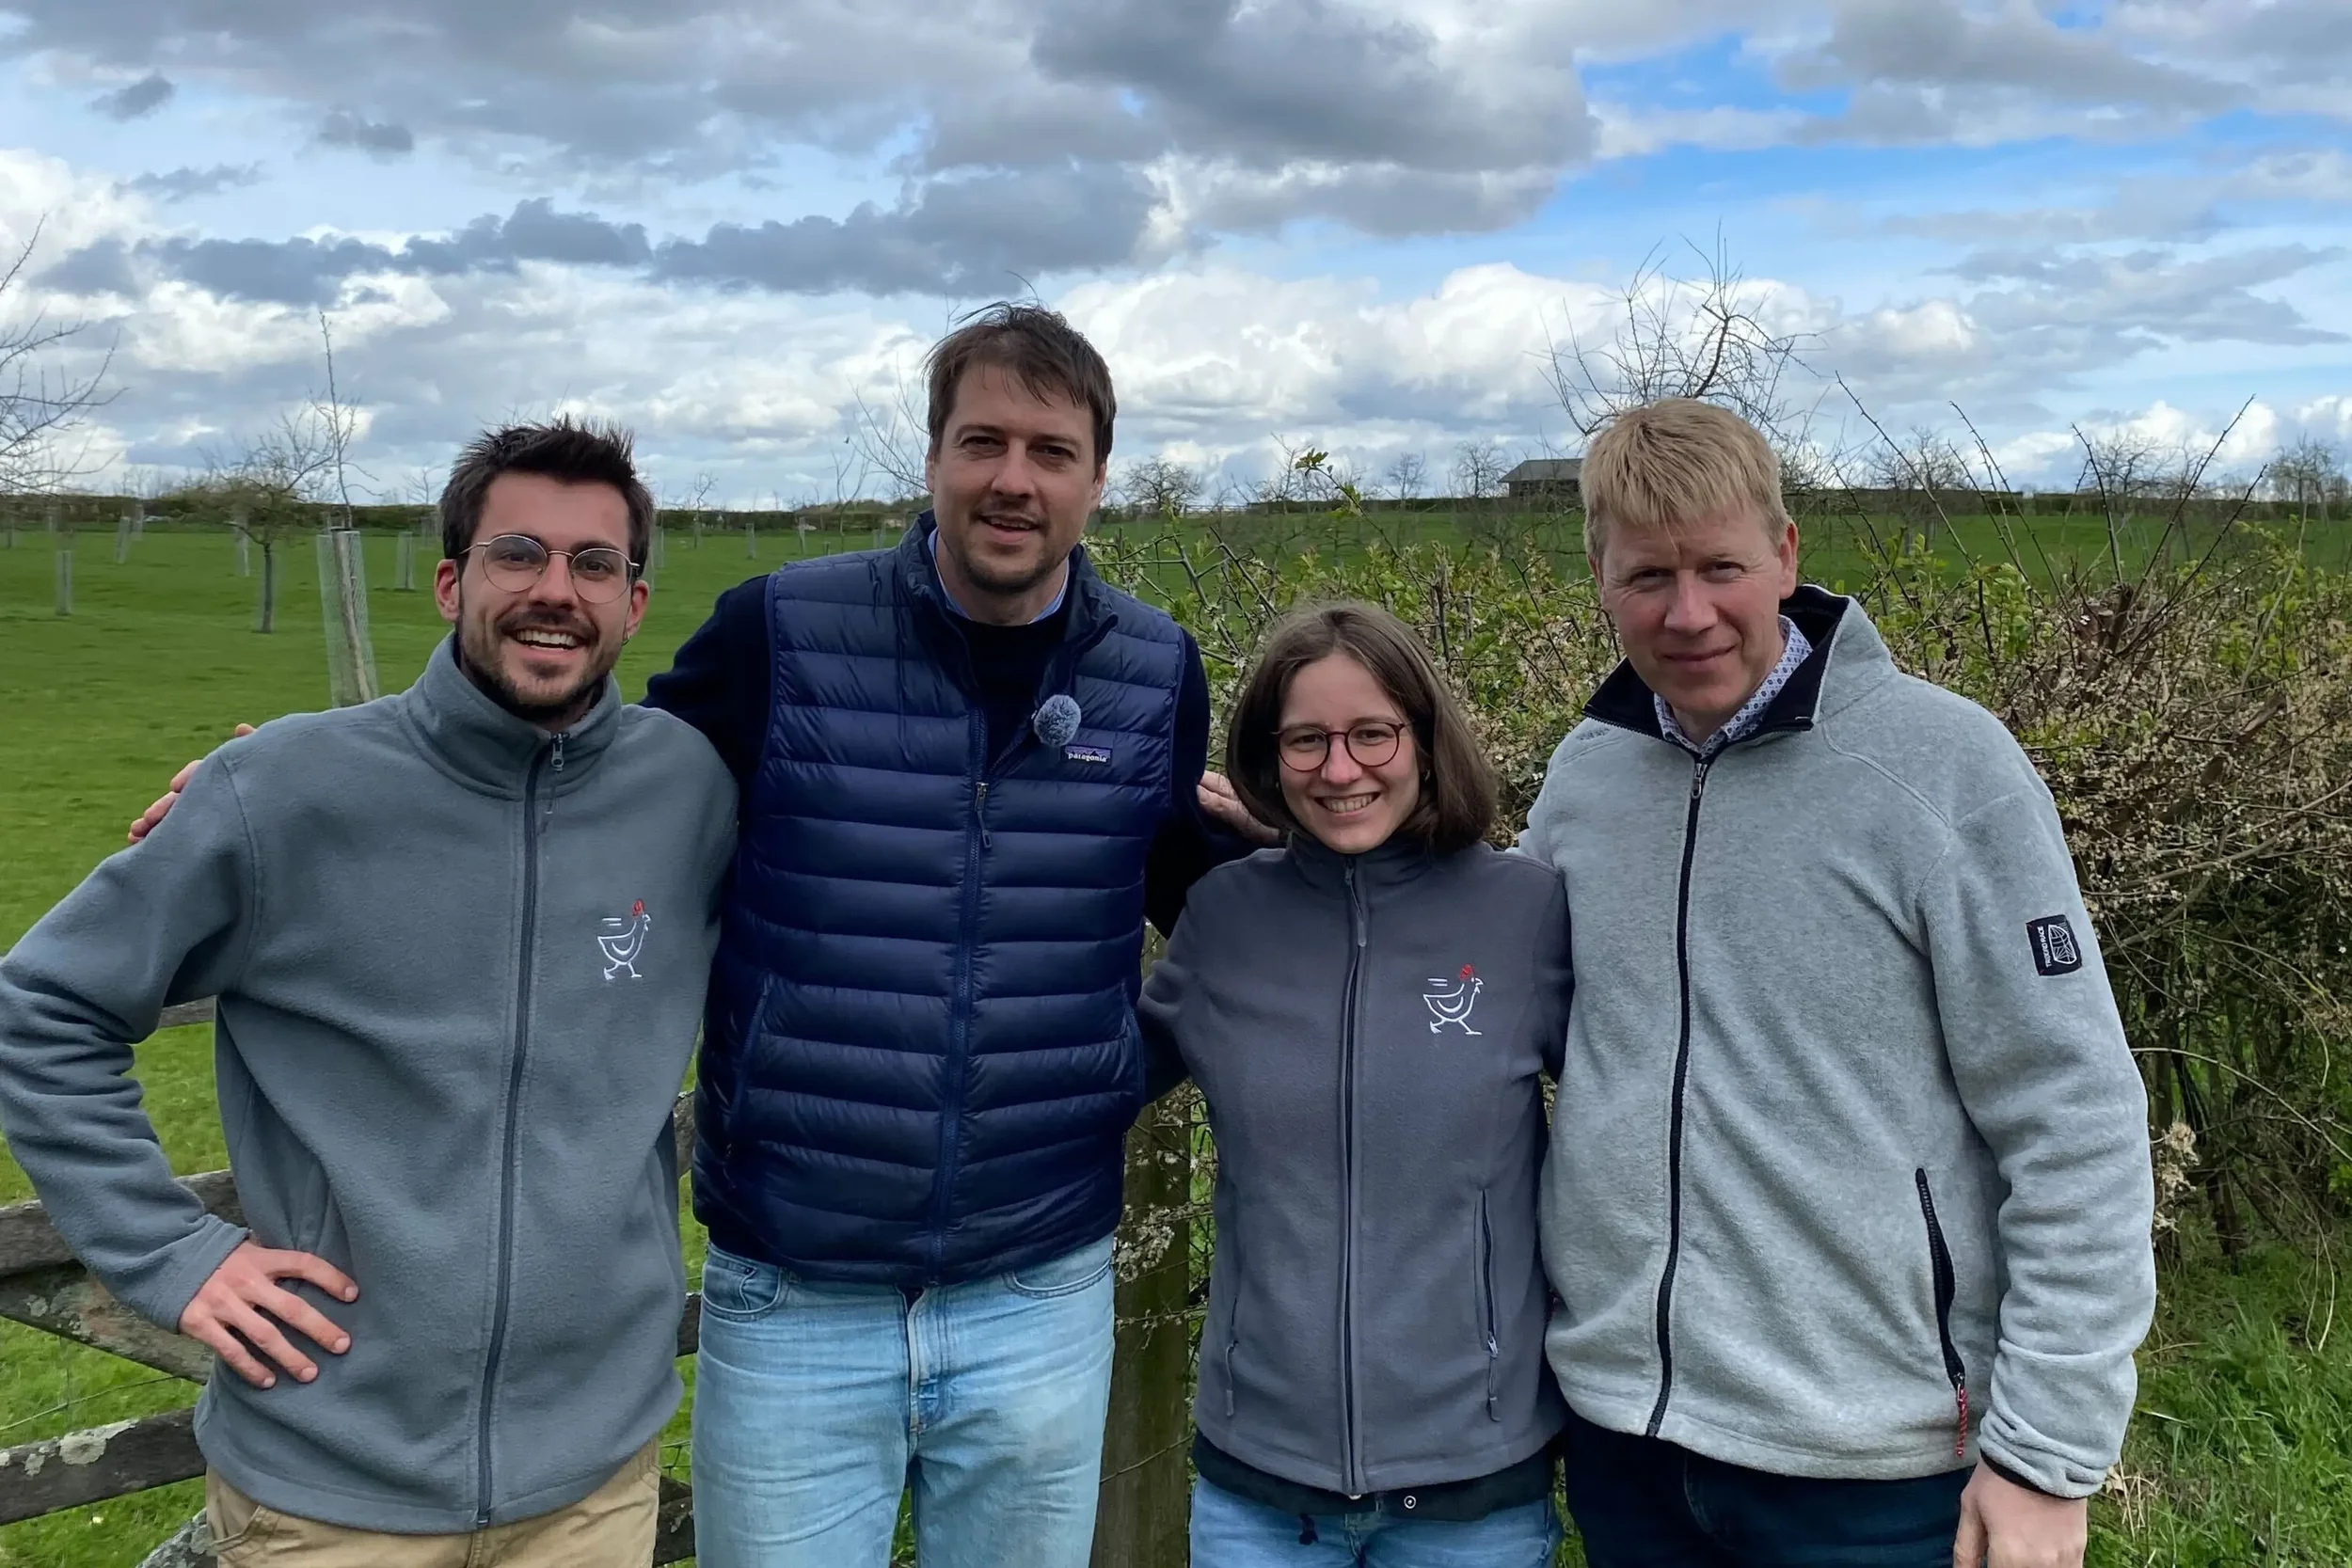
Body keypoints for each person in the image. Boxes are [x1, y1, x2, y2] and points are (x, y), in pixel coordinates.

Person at [0, 420, 735, 1566]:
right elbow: (41, 1006)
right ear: (451, 580)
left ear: (634, 604)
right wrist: (171, 1251)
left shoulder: (689, 789)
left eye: (595, 564)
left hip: (595, 1480)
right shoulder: (283, 790)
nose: (557, 590)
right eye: (518, 554)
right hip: (327, 1493)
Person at [639, 302, 1241, 1568]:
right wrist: (320, 780)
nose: (1012, 479)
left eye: (1051, 450)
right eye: (982, 441)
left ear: (1096, 480)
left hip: (1039, 1285)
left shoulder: (1153, 669)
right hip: (798, 1284)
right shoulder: (779, 631)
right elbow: (594, 798)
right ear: (931, 461)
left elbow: (1226, 910)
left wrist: (1121, 1068)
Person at [1517, 399, 2156, 1568]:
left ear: (1787, 555)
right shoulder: (1586, 775)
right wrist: (1346, 856)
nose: (1688, 610)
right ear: (1600, 579)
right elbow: (1504, 992)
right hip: (1627, 1440)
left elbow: (2075, 1115)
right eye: (1647, 574)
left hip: (1875, 1468)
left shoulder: (1944, 768)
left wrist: (2048, 1454)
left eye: (1721, 566)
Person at [1139, 602, 1571, 1567]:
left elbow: (1645, 1121)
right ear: (1266, 753)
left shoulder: (1525, 912)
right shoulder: (1224, 917)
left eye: (1372, 732)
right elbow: (1080, 1086)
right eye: (1306, 740)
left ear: (1423, 737)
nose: (1340, 769)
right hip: (1259, 1490)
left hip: (1474, 1492)